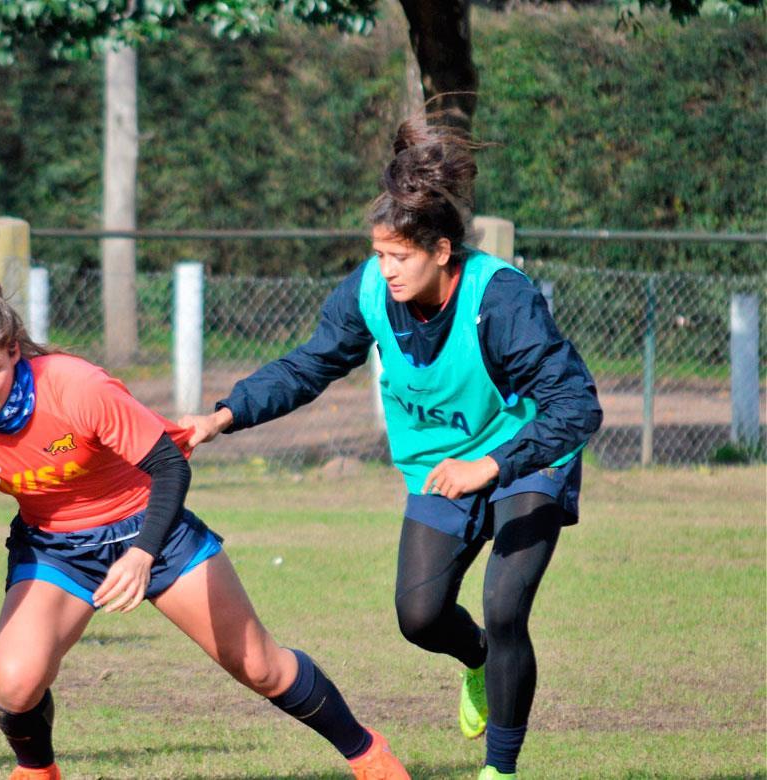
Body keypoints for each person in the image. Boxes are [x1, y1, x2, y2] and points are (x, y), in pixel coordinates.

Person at [182, 117, 603, 780]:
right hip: (441, 468)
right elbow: (310, 364)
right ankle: (477, 663)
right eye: (380, 255)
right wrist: (224, 416)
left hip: (526, 457)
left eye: (400, 256)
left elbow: (576, 405)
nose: (387, 270)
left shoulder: (502, 299)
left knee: (505, 604)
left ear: (441, 250)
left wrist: (490, 465)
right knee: (420, 615)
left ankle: (501, 770)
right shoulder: (371, 290)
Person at [0, 268, 411, 780]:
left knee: (259, 666)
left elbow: (169, 467)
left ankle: (366, 752)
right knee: (15, 684)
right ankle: (37, 769)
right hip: (56, 549)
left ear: (14, 351)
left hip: (153, 528)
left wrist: (141, 554)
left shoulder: (73, 385)